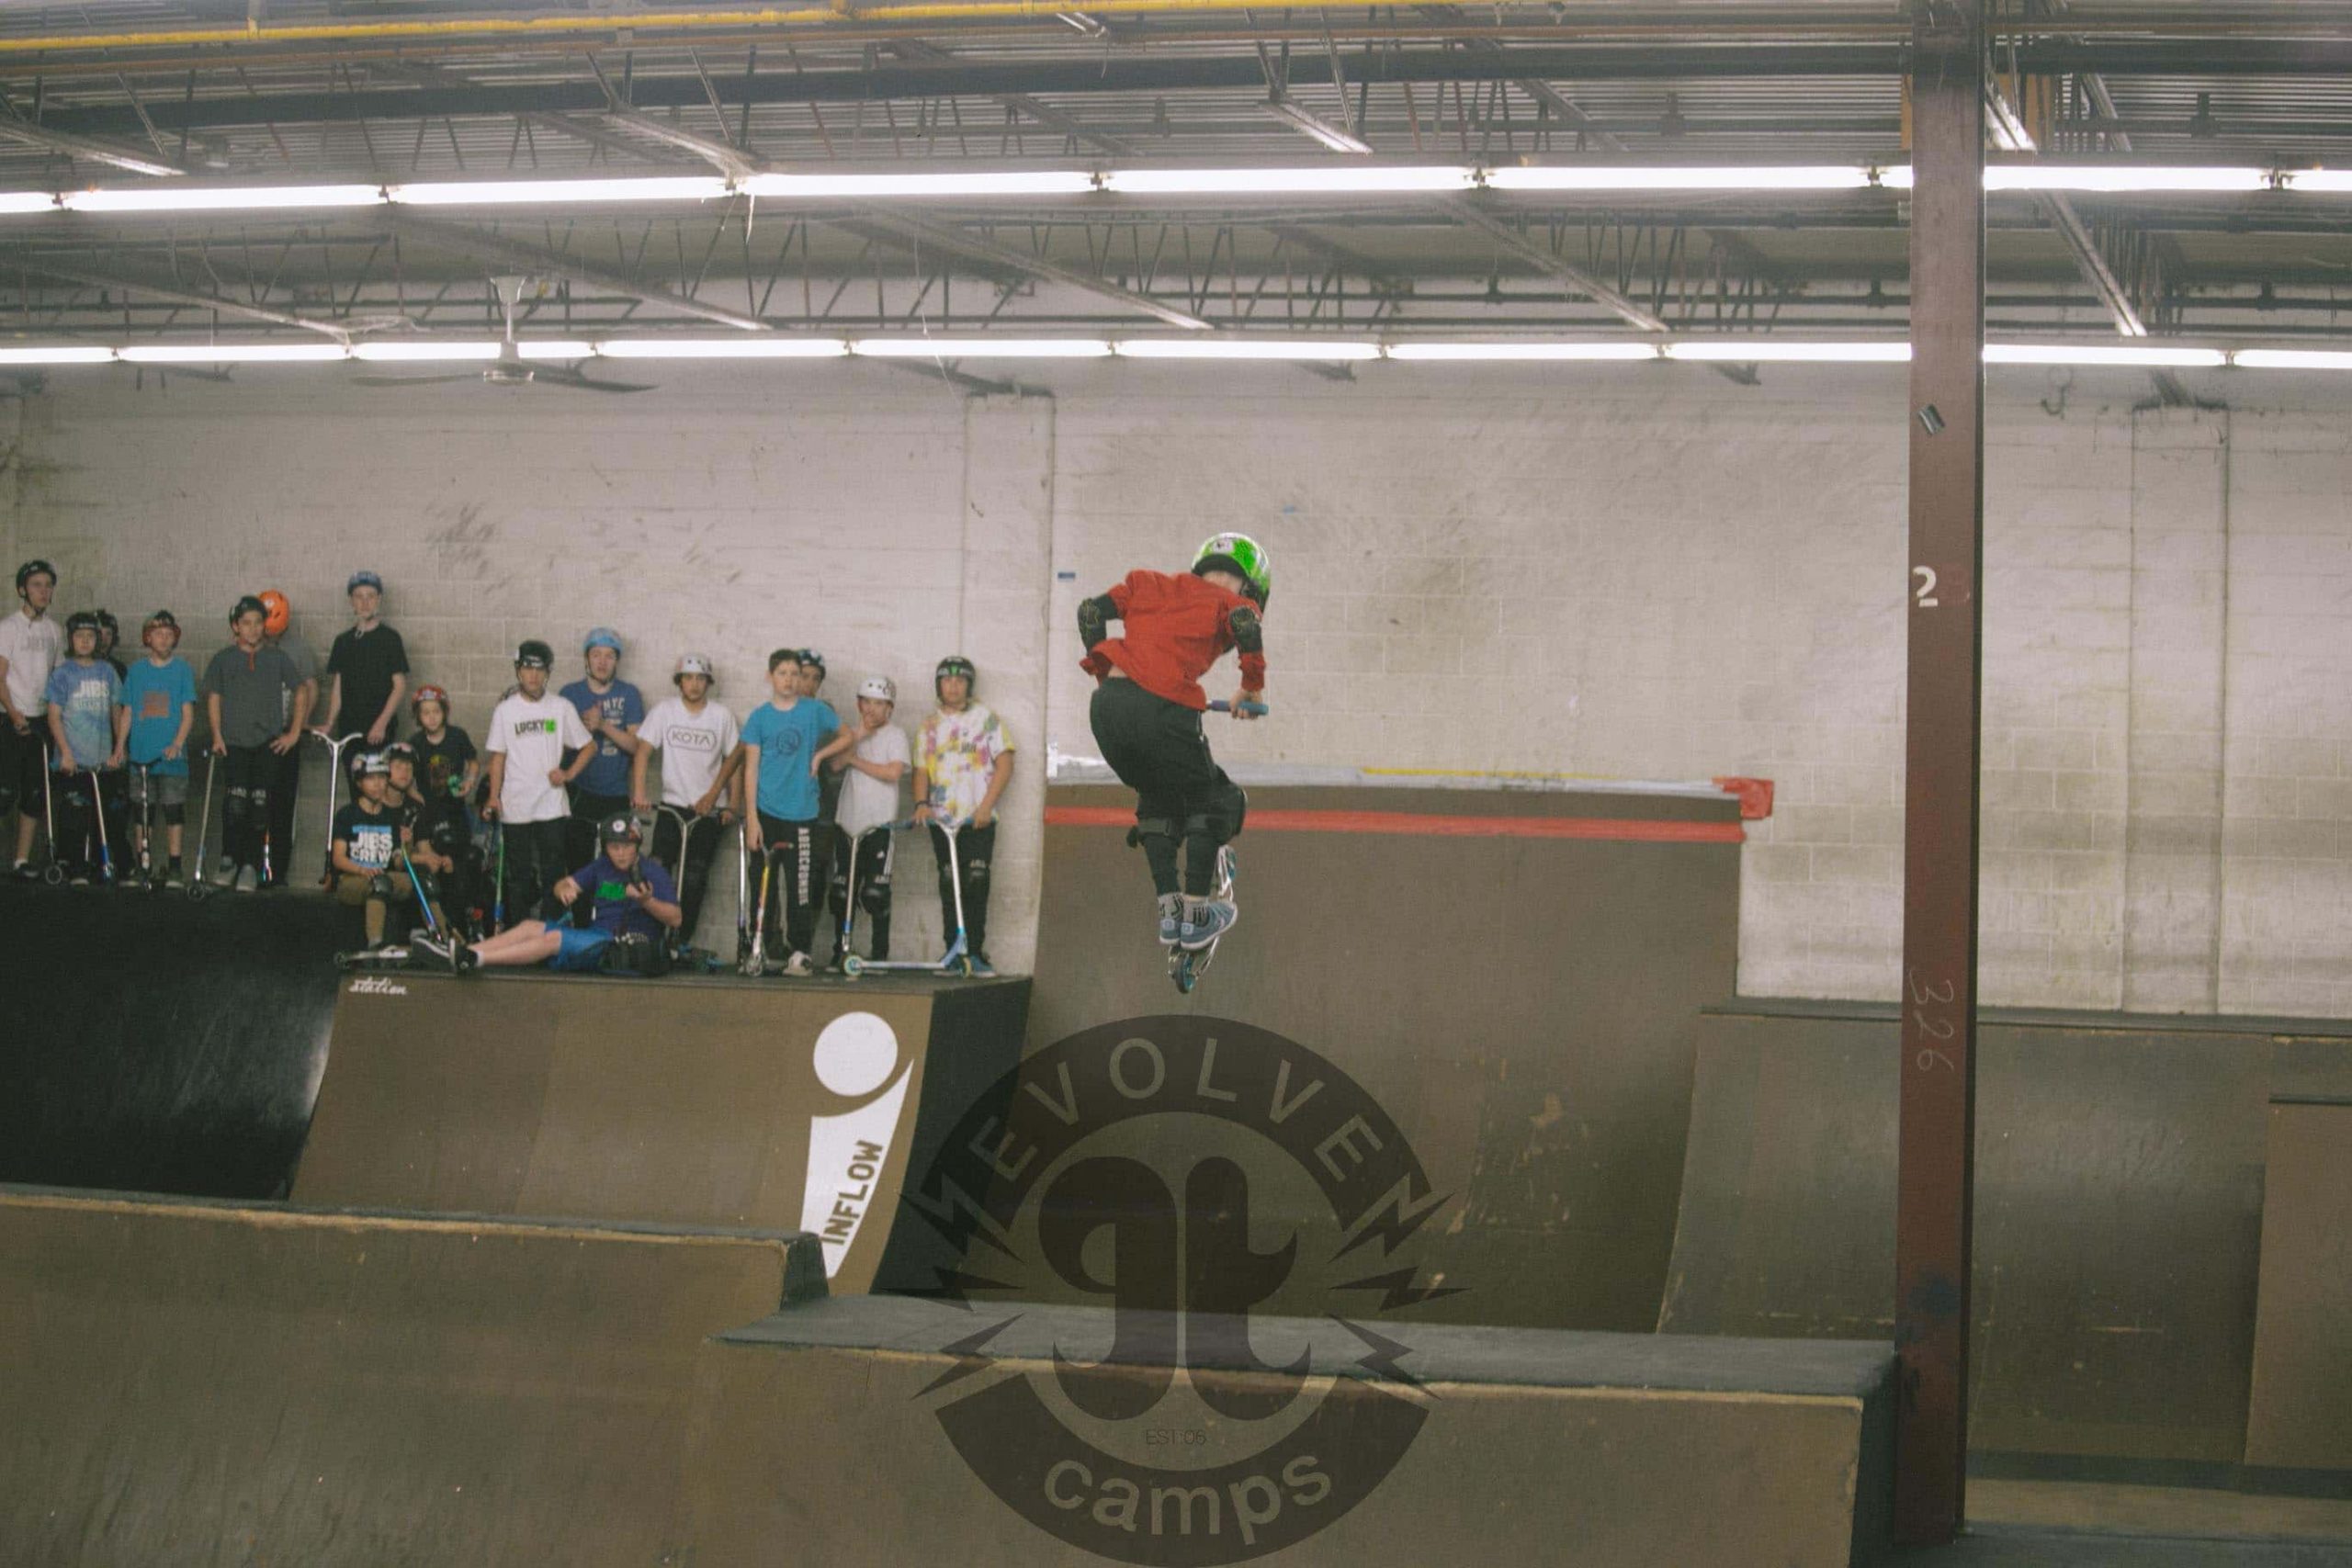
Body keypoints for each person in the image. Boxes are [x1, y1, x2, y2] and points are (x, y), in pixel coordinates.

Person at [1077, 532, 1270, 951]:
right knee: (1218, 800)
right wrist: (1251, 688)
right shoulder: (1231, 601)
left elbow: (1090, 611)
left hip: (1107, 708)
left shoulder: (1146, 582)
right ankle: (1196, 914)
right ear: (1252, 584)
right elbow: (1244, 623)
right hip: (1163, 709)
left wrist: (1105, 674)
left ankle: (1170, 910)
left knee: (1158, 797)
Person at [418, 814, 678, 974]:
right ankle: (462, 952)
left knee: (554, 938)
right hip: (596, 937)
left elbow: (676, 919)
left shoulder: (653, 872)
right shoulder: (602, 866)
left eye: (626, 846)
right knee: (530, 926)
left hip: (621, 946)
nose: (620, 853)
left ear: (636, 845)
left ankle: (477, 959)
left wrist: (647, 902)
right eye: (614, 847)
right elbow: (562, 884)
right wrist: (564, 889)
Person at [741, 647, 854, 976]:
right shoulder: (759, 717)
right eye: (783, 674)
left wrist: (819, 757)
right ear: (770, 677)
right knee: (762, 884)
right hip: (766, 812)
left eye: (795, 674)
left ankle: (800, 952)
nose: (790, 680)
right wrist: (752, 819)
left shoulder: (814, 711)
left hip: (802, 814)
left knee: (800, 886)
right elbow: (751, 769)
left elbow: (847, 736)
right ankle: (760, 947)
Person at [912, 655, 1014, 975]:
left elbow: (1005, 763)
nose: (953, 686)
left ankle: (975, 951)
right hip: (943, 821)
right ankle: (953, 951)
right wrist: (921, 803)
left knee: (976, 880)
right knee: (950, 882)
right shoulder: (929, 726)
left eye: (960, 681)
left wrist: (986, 805)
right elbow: (920, 770)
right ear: (938, 685)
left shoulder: (986, 719)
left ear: (969, 686)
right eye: (947, 680)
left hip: (977, 819)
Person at [632, 652, 741, 951]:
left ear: (708, 683)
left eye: (700, 679)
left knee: (695, 875)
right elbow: (643, 751)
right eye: (688, 678)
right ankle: (652, 934)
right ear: (679, 682)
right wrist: (639, 792)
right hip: (672, 806)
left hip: (708, 810)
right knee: (657, 869)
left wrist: (732, 805)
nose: (694, 684)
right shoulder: (664, 711)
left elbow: (734, 763)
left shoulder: (721, 716)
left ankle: (681, 938)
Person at [483, 638, 593, 924]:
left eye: (539, 669)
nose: (533, 675)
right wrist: (494, 796)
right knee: (518, 874)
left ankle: (549, 931)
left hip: (551, 804)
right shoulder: (505, 710)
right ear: (518, 671)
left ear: (548, 672)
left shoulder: (561, 707)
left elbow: (588, 746)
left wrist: (568, 774)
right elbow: (498, 757)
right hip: (515, 803)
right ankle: (520, 931)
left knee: (553, 871)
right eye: (527, 669)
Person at [201, 596, 307, 890]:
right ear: (236, 626)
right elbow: (214, 698)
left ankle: (251, 864)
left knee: (260, 805)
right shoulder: (223, 659)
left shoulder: (277, 658)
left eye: (258, 623)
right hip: (234, 743)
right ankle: (229, 860)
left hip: (267, 744)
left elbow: (301, 690)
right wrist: (217, 735)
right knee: (236, 804)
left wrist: (294, 733)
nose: (253, 629)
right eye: (246, 623)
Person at [825, 674, 910, 968]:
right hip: (847, 822)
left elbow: (892, 773)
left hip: (879, 824)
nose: (873, 709)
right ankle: (841, 949)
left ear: (890, 708)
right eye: (868, 702)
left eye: (880, 704)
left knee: (875, 894)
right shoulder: (850, 734)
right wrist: (857, 736)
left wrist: (855, 761)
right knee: (841, 893)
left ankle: (879, 953)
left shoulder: (895, 735)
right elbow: (834, 765)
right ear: (859, 705)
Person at [117, 610, 197, 886]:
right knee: (143, 813)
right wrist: (120, 746)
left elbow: (188, 713)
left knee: (173, 811)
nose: (163, 639)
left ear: (175, 638)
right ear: (147, 638)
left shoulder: (182, 670)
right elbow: (127, 712)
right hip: (141, 756)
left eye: (168, 634)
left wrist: (177, 743)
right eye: (157, 634)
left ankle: (175, 867)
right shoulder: (137, 671)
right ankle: (143, 865)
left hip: (172, 759)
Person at [44, 612, 122, 884]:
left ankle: (101, 864)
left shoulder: (107, 671)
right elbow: (54, 716)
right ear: (71, 639)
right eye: (80, 636)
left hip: (102, 760)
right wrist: (65, 752)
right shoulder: (63, 673)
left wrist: (118, 748)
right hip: (73, 760)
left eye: (91, 636)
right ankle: (73, 866)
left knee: (105, 814)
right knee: (75, 814)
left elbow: (116, 710)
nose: (85, 641)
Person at [560, 627, 644, 867]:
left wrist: (603, 725)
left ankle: (609, 895)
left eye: (609, 656)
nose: (602, 662)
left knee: (615, 865)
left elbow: (636, 746)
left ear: (617, 660)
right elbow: (556, 745)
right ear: (587, 658)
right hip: (578, 791)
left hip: (615, 793)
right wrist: (581, 731)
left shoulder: (629, 694)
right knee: (577, 863)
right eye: (596, 655)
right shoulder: (569, 694)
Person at [1, 559, 62, 876]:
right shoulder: (8, 628)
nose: (43, 591)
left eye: (48, 585)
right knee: (4, 792)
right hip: (10, 718)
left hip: (40, 721)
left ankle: (21, 861)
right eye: (37, 585)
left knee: (35, 793)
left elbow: (58, 679)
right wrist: (13, 714)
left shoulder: (54, 630)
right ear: (22, 589)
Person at [259, 588, 319, 890]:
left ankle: (278, 871)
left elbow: (310, 687)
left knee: (282, 806)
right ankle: (252, 866)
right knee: (254, 805)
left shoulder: (298, 649)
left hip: (286, 737)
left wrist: (300, 726)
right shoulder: (248, 647)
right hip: (255, 739)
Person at [329, 750, 414, 950]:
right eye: (371, 779)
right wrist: (362, 870)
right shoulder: (347, 814)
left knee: (423, 882)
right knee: (380, 883)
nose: (378, 784)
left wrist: (406, 845)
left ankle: (438, 937)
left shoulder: (391, 817)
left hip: (383, 875)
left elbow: (398, 863)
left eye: (382, 778)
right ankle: (376, 943)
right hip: (352, 879)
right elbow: (338, 859)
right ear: (359, 783)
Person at [319, 570, 408, 747]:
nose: (365, 603)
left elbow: (399, 686)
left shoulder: (390, 638)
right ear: (351, 600)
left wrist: (381, 724)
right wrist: (329, 723)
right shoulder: (343, 641)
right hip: (349, 729)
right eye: (359, 596)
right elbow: (338, 688)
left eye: (370, 596)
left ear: (379, 599)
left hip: (380, 731)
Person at [410, 684, 478, 808]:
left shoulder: (458, 736)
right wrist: (418, 798)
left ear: (445, 712)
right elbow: (404, 775)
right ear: (418, 715)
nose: (432, 718)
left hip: (456, 806)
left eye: (436, 711)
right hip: (427, 808)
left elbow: (473, 762)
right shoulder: (415, 742)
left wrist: (470, 780)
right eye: (426, 713)